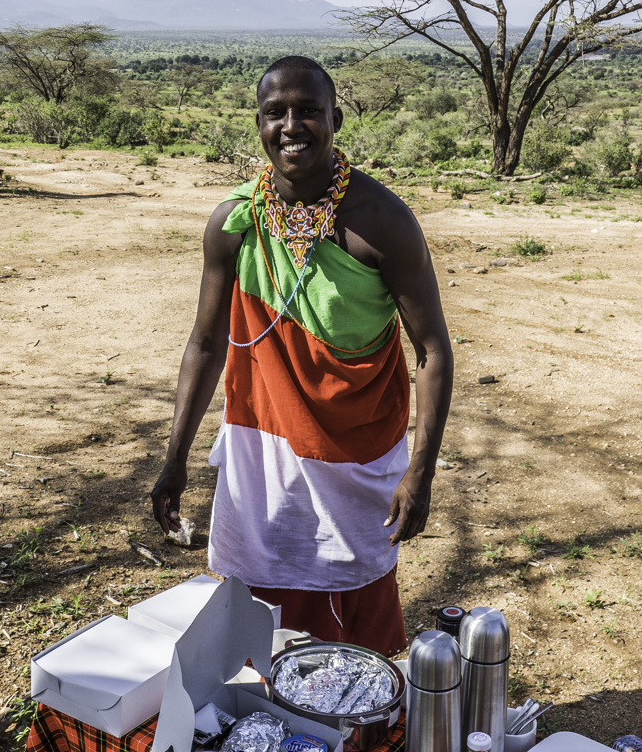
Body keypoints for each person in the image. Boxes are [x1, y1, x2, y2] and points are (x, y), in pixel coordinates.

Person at [151, 55, 453, 657]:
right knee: (257, 622)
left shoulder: (381, 222)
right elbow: (206, 344)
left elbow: (433, 350)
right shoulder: (235, 224)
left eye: (309, 110)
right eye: (276, 113)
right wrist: (175, 457)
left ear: (335, 118)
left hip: (356, 454)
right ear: (259, 124)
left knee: (349, 625)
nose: (292, 126)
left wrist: (420, 473)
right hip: (261, 449)